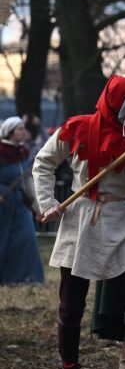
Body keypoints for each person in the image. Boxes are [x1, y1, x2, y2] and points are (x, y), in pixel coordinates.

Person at [33, 75, 125, 369]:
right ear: (120, 103)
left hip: (120, 219)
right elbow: (43, 163)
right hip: (81, 219)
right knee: (70, 304)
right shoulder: (78, 126)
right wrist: (48, 202)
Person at [0, 116, 44, 284]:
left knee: (26, 238)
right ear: (10, 133)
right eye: (19, 129)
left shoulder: (23, 152)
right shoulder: (1, 151)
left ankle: (27, 278)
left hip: (20, 203)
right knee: (3, 240)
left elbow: (28, 182)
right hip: (3, 204)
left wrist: (38, 208)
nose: (24, 132)